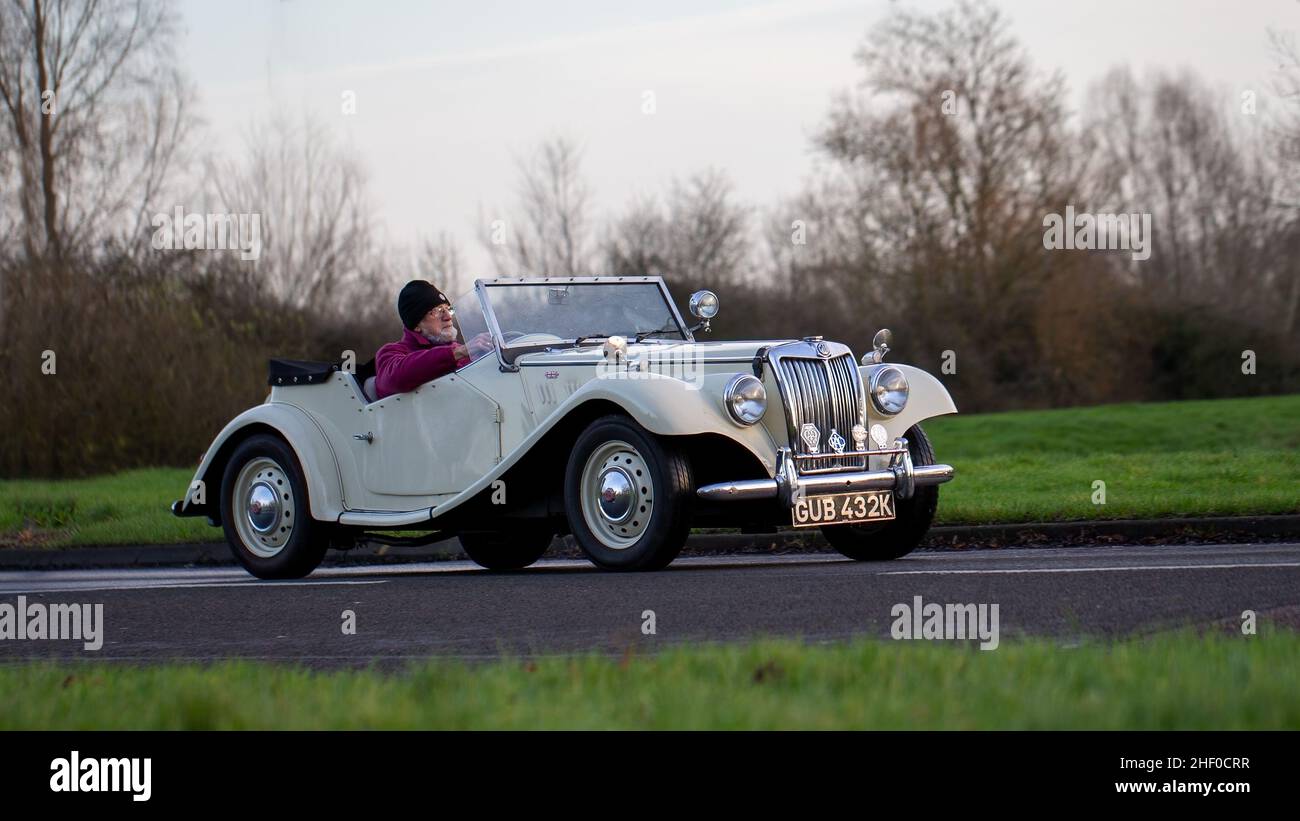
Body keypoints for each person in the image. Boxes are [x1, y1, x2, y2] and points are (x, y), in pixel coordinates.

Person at [374, 280, 492, 400]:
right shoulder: (392, 352)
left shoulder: (459, 350)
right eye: (437, 311)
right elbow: (394, 379)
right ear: (416, 325)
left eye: (448, 309)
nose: (448, 317)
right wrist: (457, 352)